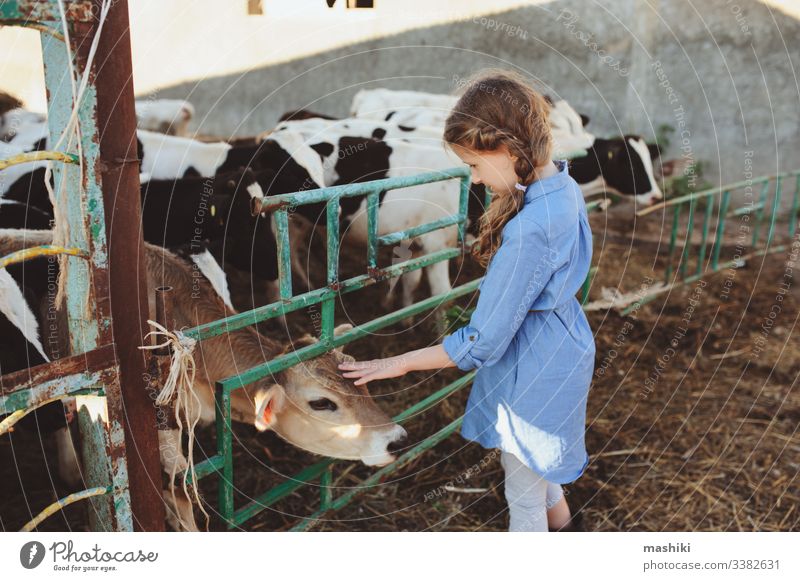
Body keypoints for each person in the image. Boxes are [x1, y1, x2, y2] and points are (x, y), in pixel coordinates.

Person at [338, 68, 596, 532]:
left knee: (523, 498)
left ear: (508, 150)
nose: (474, 181)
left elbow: (483, 341)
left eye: (475, 165)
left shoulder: (529, 231)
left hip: (533, 369)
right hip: (564, 347)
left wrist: (396, 363)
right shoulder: (564, 188)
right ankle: (571, 533)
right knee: (539, 473)